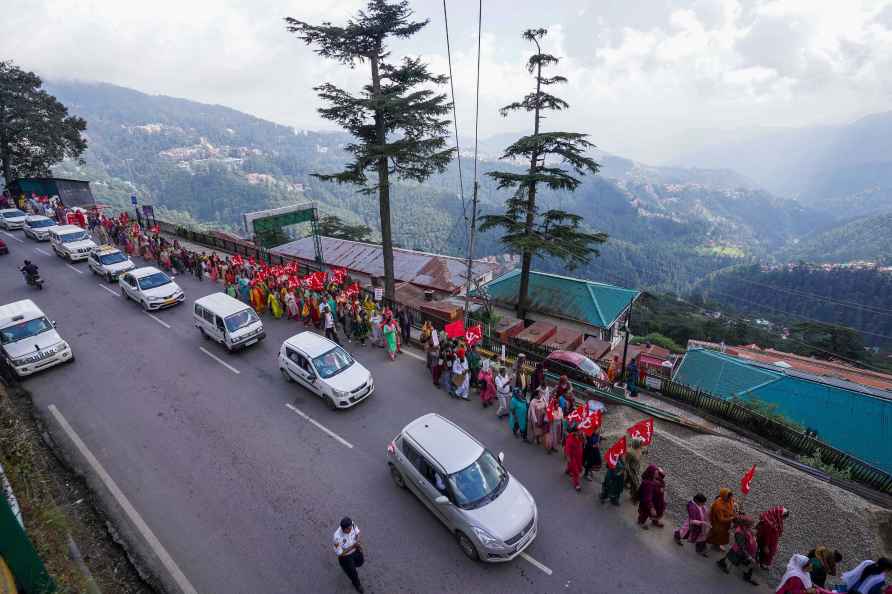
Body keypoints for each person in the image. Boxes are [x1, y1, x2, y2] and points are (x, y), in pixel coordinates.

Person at [717, 515, 759, 586]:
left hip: (744, 551)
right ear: (747, 524)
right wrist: (749, 556)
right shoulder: (739, 532)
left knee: (731, 560)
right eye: (751, 524)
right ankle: (746, 576)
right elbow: (741, 546)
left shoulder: (746, 529)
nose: (753, 526)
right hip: (739, 551)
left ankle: (747, 575)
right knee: (732, 560)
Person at [333, 517, 365, 593]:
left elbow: (357, 533)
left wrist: (358, 542)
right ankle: (357, 584)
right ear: (343, 529)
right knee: (353, 572)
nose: (350, 530)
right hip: (345, 556)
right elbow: (340, 553)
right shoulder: (337, 537)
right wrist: (353, 546)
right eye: (348, 529)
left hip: (355, 549)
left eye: (351, 528)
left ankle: (348, 568)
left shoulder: (352, 524)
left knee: (361, 561)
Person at [637, 464, 665, 529]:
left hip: (657, 499)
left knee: (658, 511)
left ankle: (655, 521)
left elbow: (662, 476)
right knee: (645, 512)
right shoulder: (647, 483)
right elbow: (647, 498)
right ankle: (641, 522)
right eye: (656, 473)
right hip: (649, 502)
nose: (657, 474)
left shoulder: (656, 477)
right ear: (652, 473)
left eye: (657, 472)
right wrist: (651, 508)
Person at [623, 437, 645, 502]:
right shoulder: (630, 452)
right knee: (635, 484)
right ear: (637, 444)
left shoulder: (640, 450)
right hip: (631, 470)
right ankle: (633, 496)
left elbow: (642, 453)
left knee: (629, 480)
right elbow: (627, 463)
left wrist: (644, 452)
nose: (642, 445)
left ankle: (624, 483)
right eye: (641, 444)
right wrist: (628, 471)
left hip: (637, 469)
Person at [563, 427, 584, 491]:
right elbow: (567, 449)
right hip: (572, 457)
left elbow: (583, 442)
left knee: (579, 468)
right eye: (579, 431)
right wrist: (568, 457)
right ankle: (576, 484)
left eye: (581, 431)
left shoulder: (581, 436)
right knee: (576, 471)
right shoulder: (570, 439)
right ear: (575, 432)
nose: (581, 431)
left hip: (579, 456)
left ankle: (568, 470)